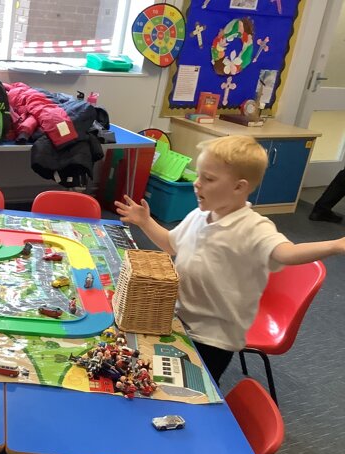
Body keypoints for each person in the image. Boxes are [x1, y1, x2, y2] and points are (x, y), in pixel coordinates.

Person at [115, 135, 345, 384]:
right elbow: (171, 244)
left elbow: (285, 253)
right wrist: (146, 222)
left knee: (191, 388)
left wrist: (335, 245)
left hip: (214, 337)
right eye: (199, 175)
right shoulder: (199, 215)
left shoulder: (253, 228)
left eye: (208, 178)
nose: (197, 183)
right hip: (179, 319)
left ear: (239, 187)